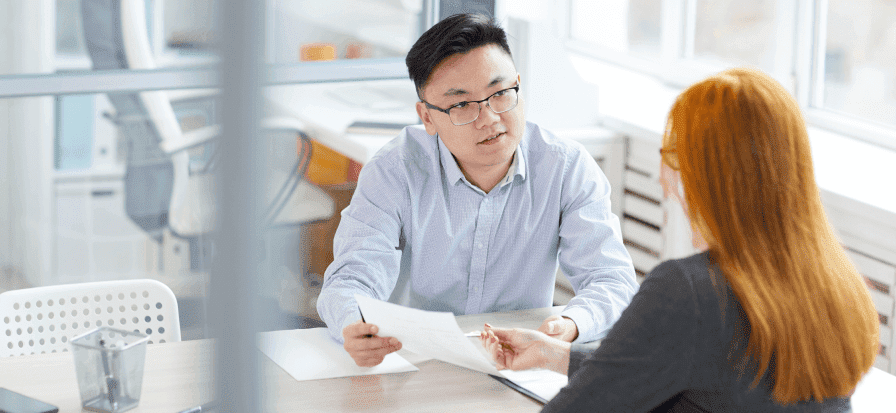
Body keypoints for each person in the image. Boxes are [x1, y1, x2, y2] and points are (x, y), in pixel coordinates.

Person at [481, 67, 880, 411]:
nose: (663, 177)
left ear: (708, 174)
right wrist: (559, 356)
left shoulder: (688, 292)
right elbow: (711, 377)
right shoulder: (841, 285)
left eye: (673, 155)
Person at [316, 13, 638, 367]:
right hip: (413, 360)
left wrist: (572, 325)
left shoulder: (567, 167)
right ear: (427, 117)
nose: (489, 118)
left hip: (518, 361)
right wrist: (355, 324)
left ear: (518, 85)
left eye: (500, 93)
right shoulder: (394, 170)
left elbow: (612, 279)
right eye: (461, 105)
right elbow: (351, 278)